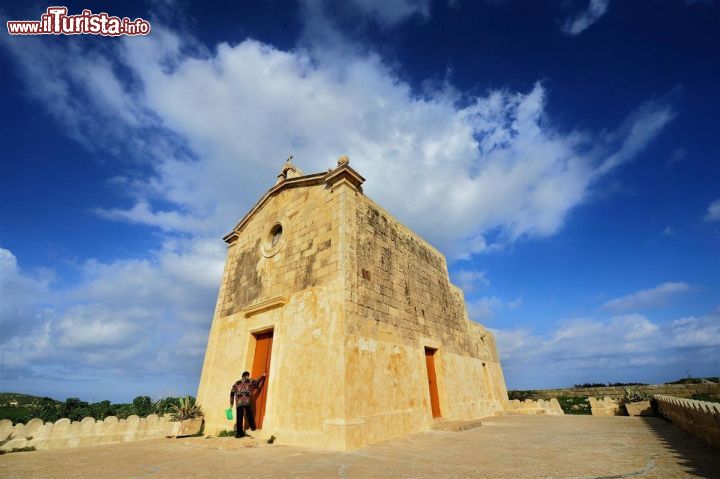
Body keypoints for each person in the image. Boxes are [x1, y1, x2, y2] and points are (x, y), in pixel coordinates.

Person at [229, 371, 266, 438]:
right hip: (246, 400)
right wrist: (262, 376)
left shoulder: (236, 383)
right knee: (249, 414)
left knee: (239, 417)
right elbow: (257, 382)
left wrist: (231, 403)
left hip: (239, 401)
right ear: (247, 375)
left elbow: (232, 393)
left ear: (242, 376)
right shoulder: (249, 380)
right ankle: (253, 427)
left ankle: (239, 434)